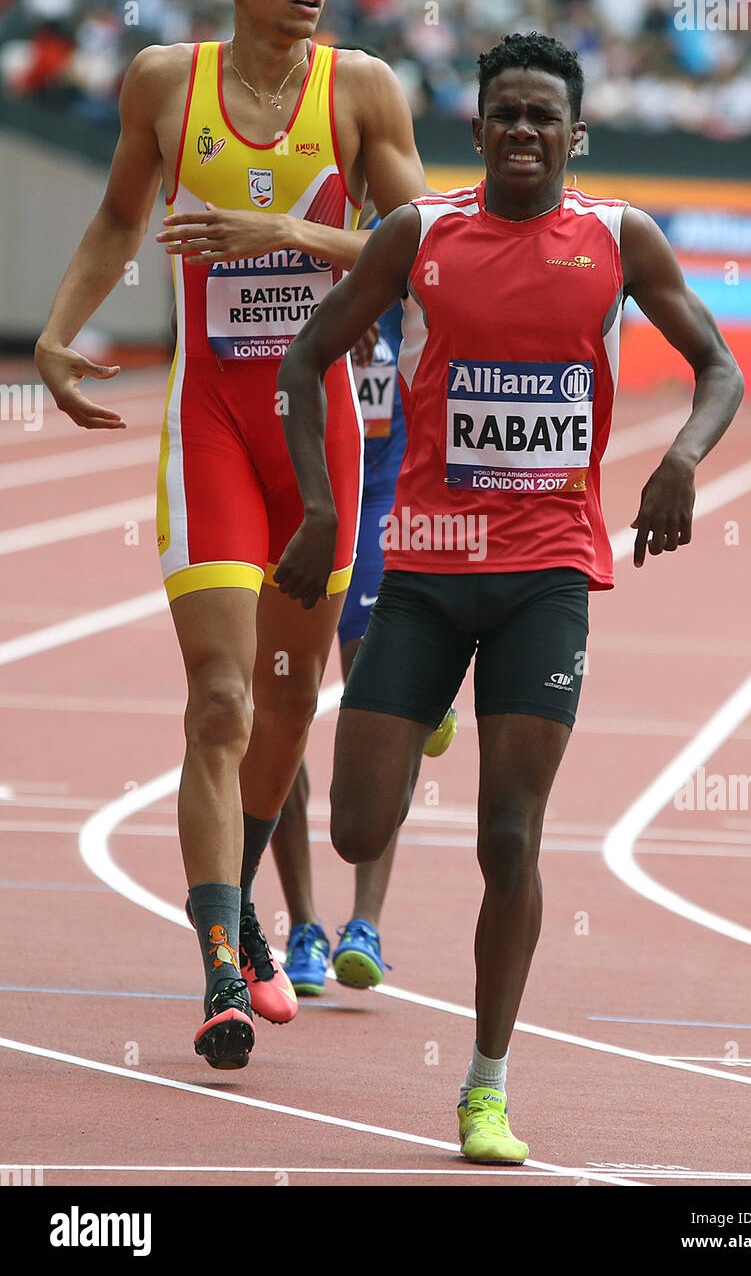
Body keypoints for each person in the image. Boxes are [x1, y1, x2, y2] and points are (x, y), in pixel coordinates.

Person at [272, 32, 744, 1160]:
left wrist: (680, 458)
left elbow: (718, 367)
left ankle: (484, 1087)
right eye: (504, 115)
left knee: (509, 836)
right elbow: (304, 361)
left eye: (544, 116)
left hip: (547, 576)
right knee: (356, 828)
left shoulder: (618, 239)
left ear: (575, 136)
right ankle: (428, 705)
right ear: (476, 130)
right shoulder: (418, 234)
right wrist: (323, 510)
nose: (523, 131)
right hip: (427, 568)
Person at [34, 0, 428, 1071]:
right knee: (219, 699)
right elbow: (116, 218)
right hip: (207, 423)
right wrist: (58, 334)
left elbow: (422, 244)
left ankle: (246, 900)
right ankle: (218, 958)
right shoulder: (164, 82)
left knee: (289, 703)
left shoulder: (361, 89)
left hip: (319, 443)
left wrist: (287, 241)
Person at [270, 198, 456, 996]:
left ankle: (366, 924)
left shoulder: (416, 247)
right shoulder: (293, 252)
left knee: (383, 709)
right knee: (277, 711)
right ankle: (303, 924)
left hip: (384, 490)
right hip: (306, 489)